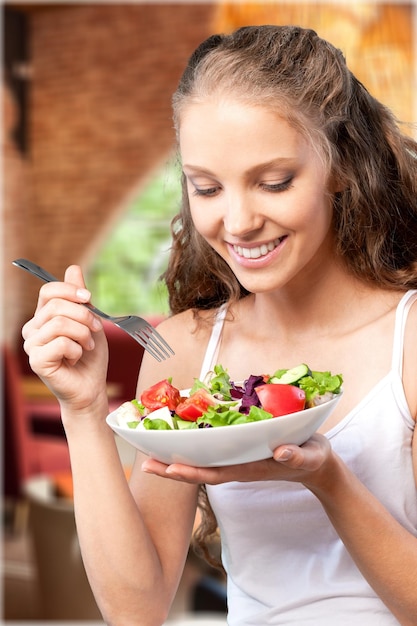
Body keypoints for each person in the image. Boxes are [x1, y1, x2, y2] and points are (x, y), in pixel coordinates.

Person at [22, 25, 417, 626]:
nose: (237, 221)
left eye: (274, 182)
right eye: (206, 187)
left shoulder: (406, 340)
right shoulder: (183, 350)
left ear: (339, 165)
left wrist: (328, 481)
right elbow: (137, 609)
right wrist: (81, 410)